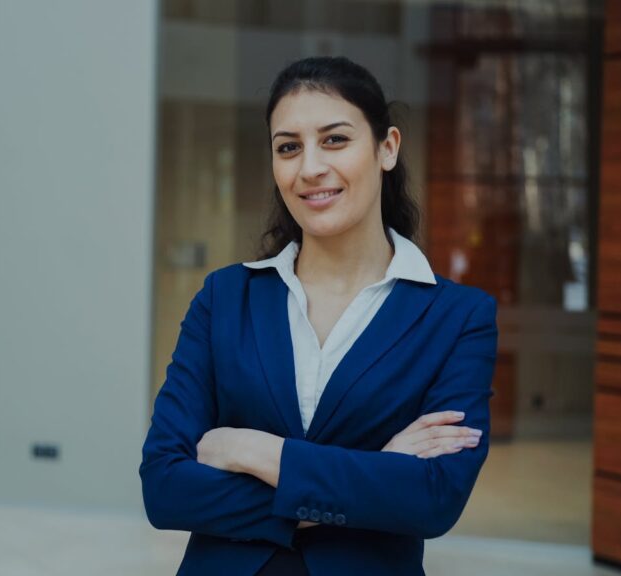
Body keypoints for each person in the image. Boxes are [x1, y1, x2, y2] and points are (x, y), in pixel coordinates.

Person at [139, 56, 497, 576]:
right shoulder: (225, 297)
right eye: (288, 147)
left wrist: (251, 448)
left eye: (334, 140)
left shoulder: (459, 317)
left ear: (387, 148)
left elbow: (432, 500)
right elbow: (165, 489)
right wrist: (378, 473)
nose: (309, 168)